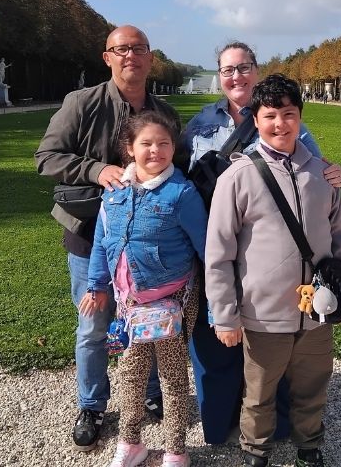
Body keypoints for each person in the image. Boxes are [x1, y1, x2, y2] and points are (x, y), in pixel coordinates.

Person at [181, 42, 341, 445]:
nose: (235, 76)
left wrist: (339, 177)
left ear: (255, 70)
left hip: (278, 262)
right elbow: (175, 176)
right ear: (219, 76)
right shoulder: (200, 124)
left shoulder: (293, 123)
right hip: (216, 245)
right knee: (222, 349)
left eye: (243, 67)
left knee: (280, 357)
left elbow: (315, 181)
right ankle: (223, 427)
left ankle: (283, 430)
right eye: (227, 70)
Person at [35, 25, 181, 451]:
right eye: (122, 49)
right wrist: (97, 171)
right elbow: (47, 157)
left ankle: (152, 393)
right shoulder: (81, 103)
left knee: (152, 321)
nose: (130, 55)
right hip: (89, 235)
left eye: (139, 49)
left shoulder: (164, 112)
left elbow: (182, 165)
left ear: (150, 58)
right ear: (107, 57)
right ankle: (92, 404)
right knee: (93, 324)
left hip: (148, 242)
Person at [80, 111, 206, 467]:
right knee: (131, 376)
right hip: (129, 305)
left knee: (172, 378)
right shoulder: (114, 193)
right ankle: (130, 441)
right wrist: (96, 285)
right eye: (146, 144)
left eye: (164, 143)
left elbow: (206, 246)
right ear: (129, 149)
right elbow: (103, 244)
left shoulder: (181, 194)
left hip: (173, 303)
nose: (156, 151)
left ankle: (176, 450)